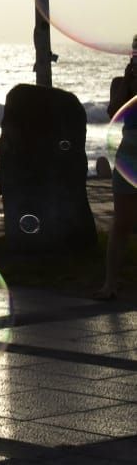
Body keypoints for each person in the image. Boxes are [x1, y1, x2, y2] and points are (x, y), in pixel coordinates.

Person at [94, 43, 137, 301]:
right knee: (121, 222)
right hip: (129, 157)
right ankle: (110, 284)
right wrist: (128, 83)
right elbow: (114, 113)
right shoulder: (120, 83)